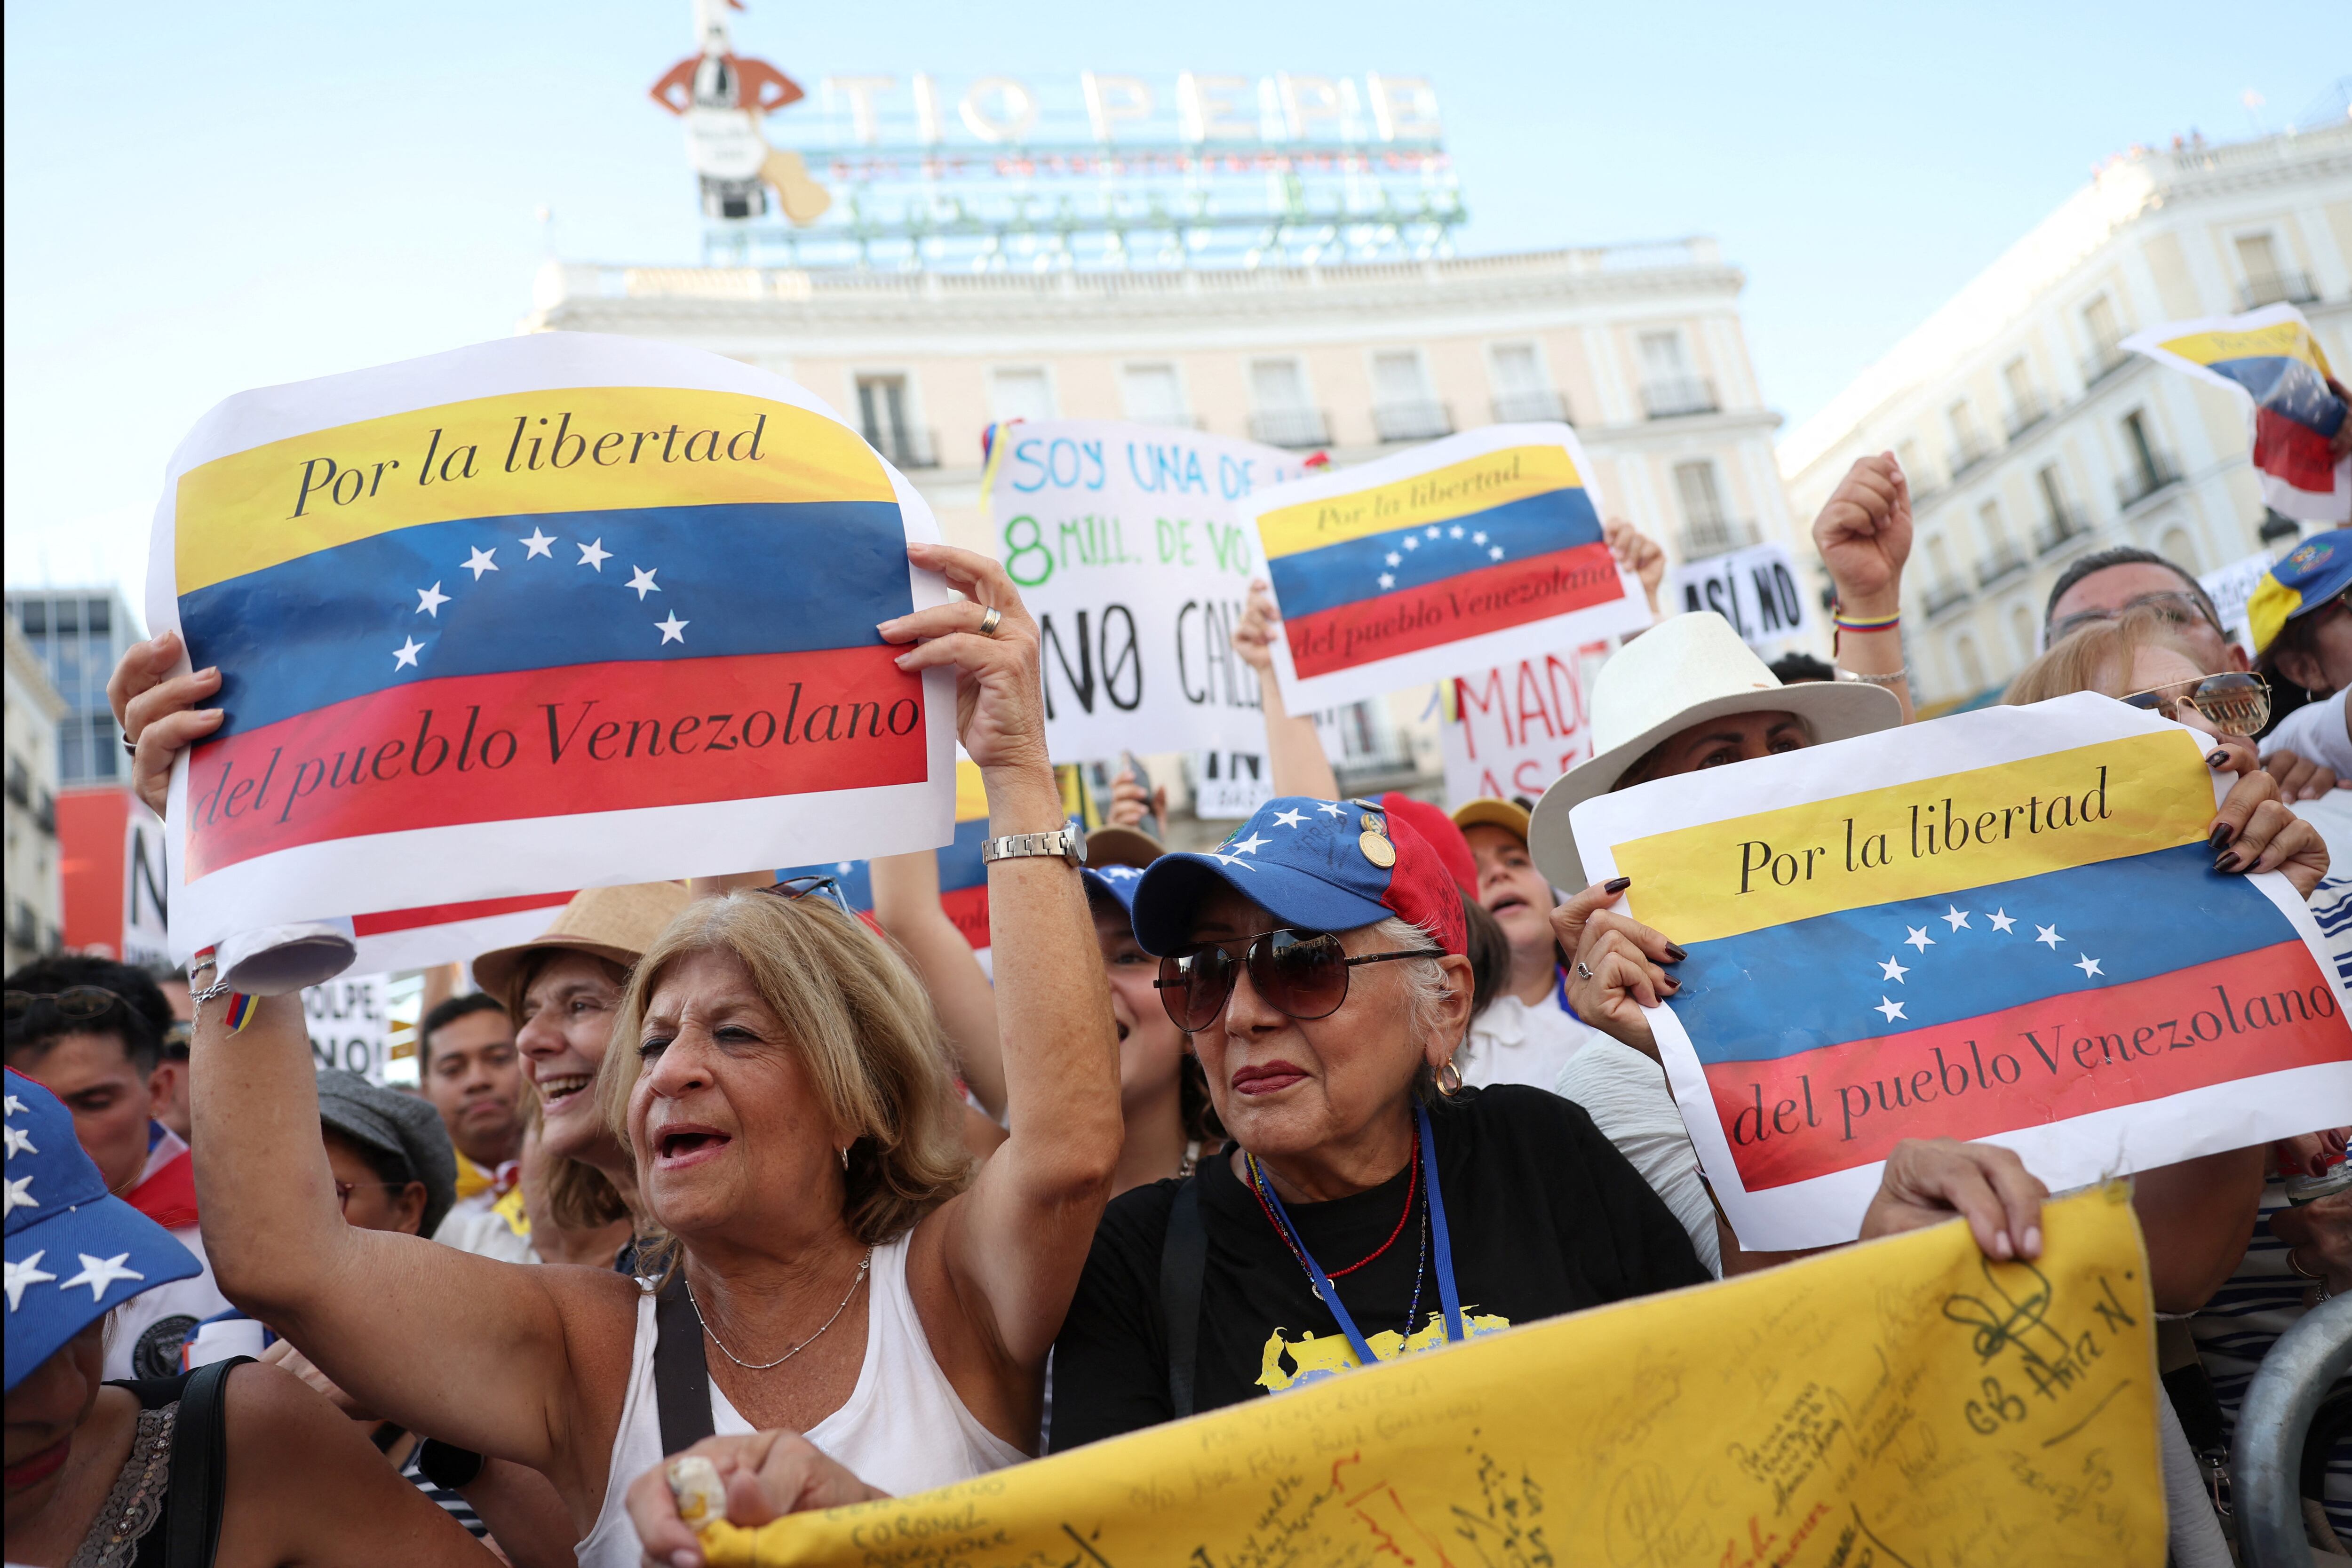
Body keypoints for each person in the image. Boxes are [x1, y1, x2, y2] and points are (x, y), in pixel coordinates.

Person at [130, 542, 1120, 1564]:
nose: (670, 1071)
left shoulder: (948, 1288)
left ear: (855, 1103)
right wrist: (233, 870)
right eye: (650, 1042)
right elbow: (283, 1258)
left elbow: (1069, 1145)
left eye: (734, 1033)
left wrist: (1014, 767)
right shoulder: (589, 1347)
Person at [1044, 793, 2048, 1448]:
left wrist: (1887, 1254)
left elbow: (1735, 1406)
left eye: (1303, 962)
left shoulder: (1541, 1150)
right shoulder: (1133, 1260)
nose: (1247, 1012)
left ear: (1442, 1002)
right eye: (1211, 972)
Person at [3, 1071, 494, 1566]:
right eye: (17, 1350)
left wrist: (449, 1413)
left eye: (322, 1195)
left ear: (408, 1207)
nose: (63, 1394)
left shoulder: (495, 1368)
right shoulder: (214, 1351)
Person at [3, 961, 230, 1379]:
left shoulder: (238, 1231)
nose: (60, 1133)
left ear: (157, 1091)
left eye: (94, 1102)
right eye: (32, 1109)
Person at [470, 880, 693, 1274]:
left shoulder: (742, 1259)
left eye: (579, 1005)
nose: (527, 1039)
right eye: (529, 1012)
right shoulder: (648, 1261)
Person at [2044, 542, 2339, 799]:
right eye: (2086, 635)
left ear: (2237, 666)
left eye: (2165, 615)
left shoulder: (2310, 782)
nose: (2128, 633)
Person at [416, 993, 527, 1227]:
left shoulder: (590, 1179)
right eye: (452, 1069)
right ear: (426, 1090)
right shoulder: (413, 1207)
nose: (477, 1081)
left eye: (498, 1059)